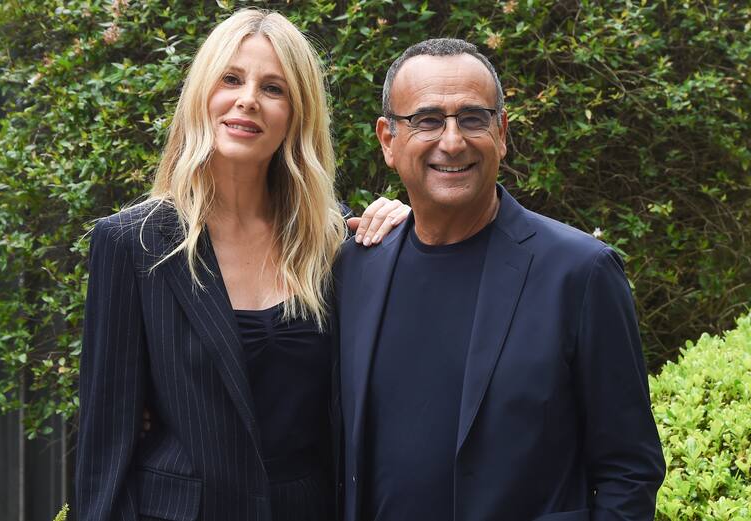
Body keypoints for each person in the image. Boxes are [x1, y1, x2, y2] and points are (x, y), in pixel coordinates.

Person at [75, 9, 408, 521]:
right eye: (231, 79)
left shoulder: (336, 239)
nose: (248, 98)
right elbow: (106, 445)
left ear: (296, 113)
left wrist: (409, 232)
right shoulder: (131, 243)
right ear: (203, 94)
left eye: (273, 88)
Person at [334, 38, 665, 521]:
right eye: (427, 120)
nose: (452, 141)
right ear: (388, 140)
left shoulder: (581, 273)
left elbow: (629, 472)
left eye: (472, 118)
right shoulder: (356, 268)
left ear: (501, 132)